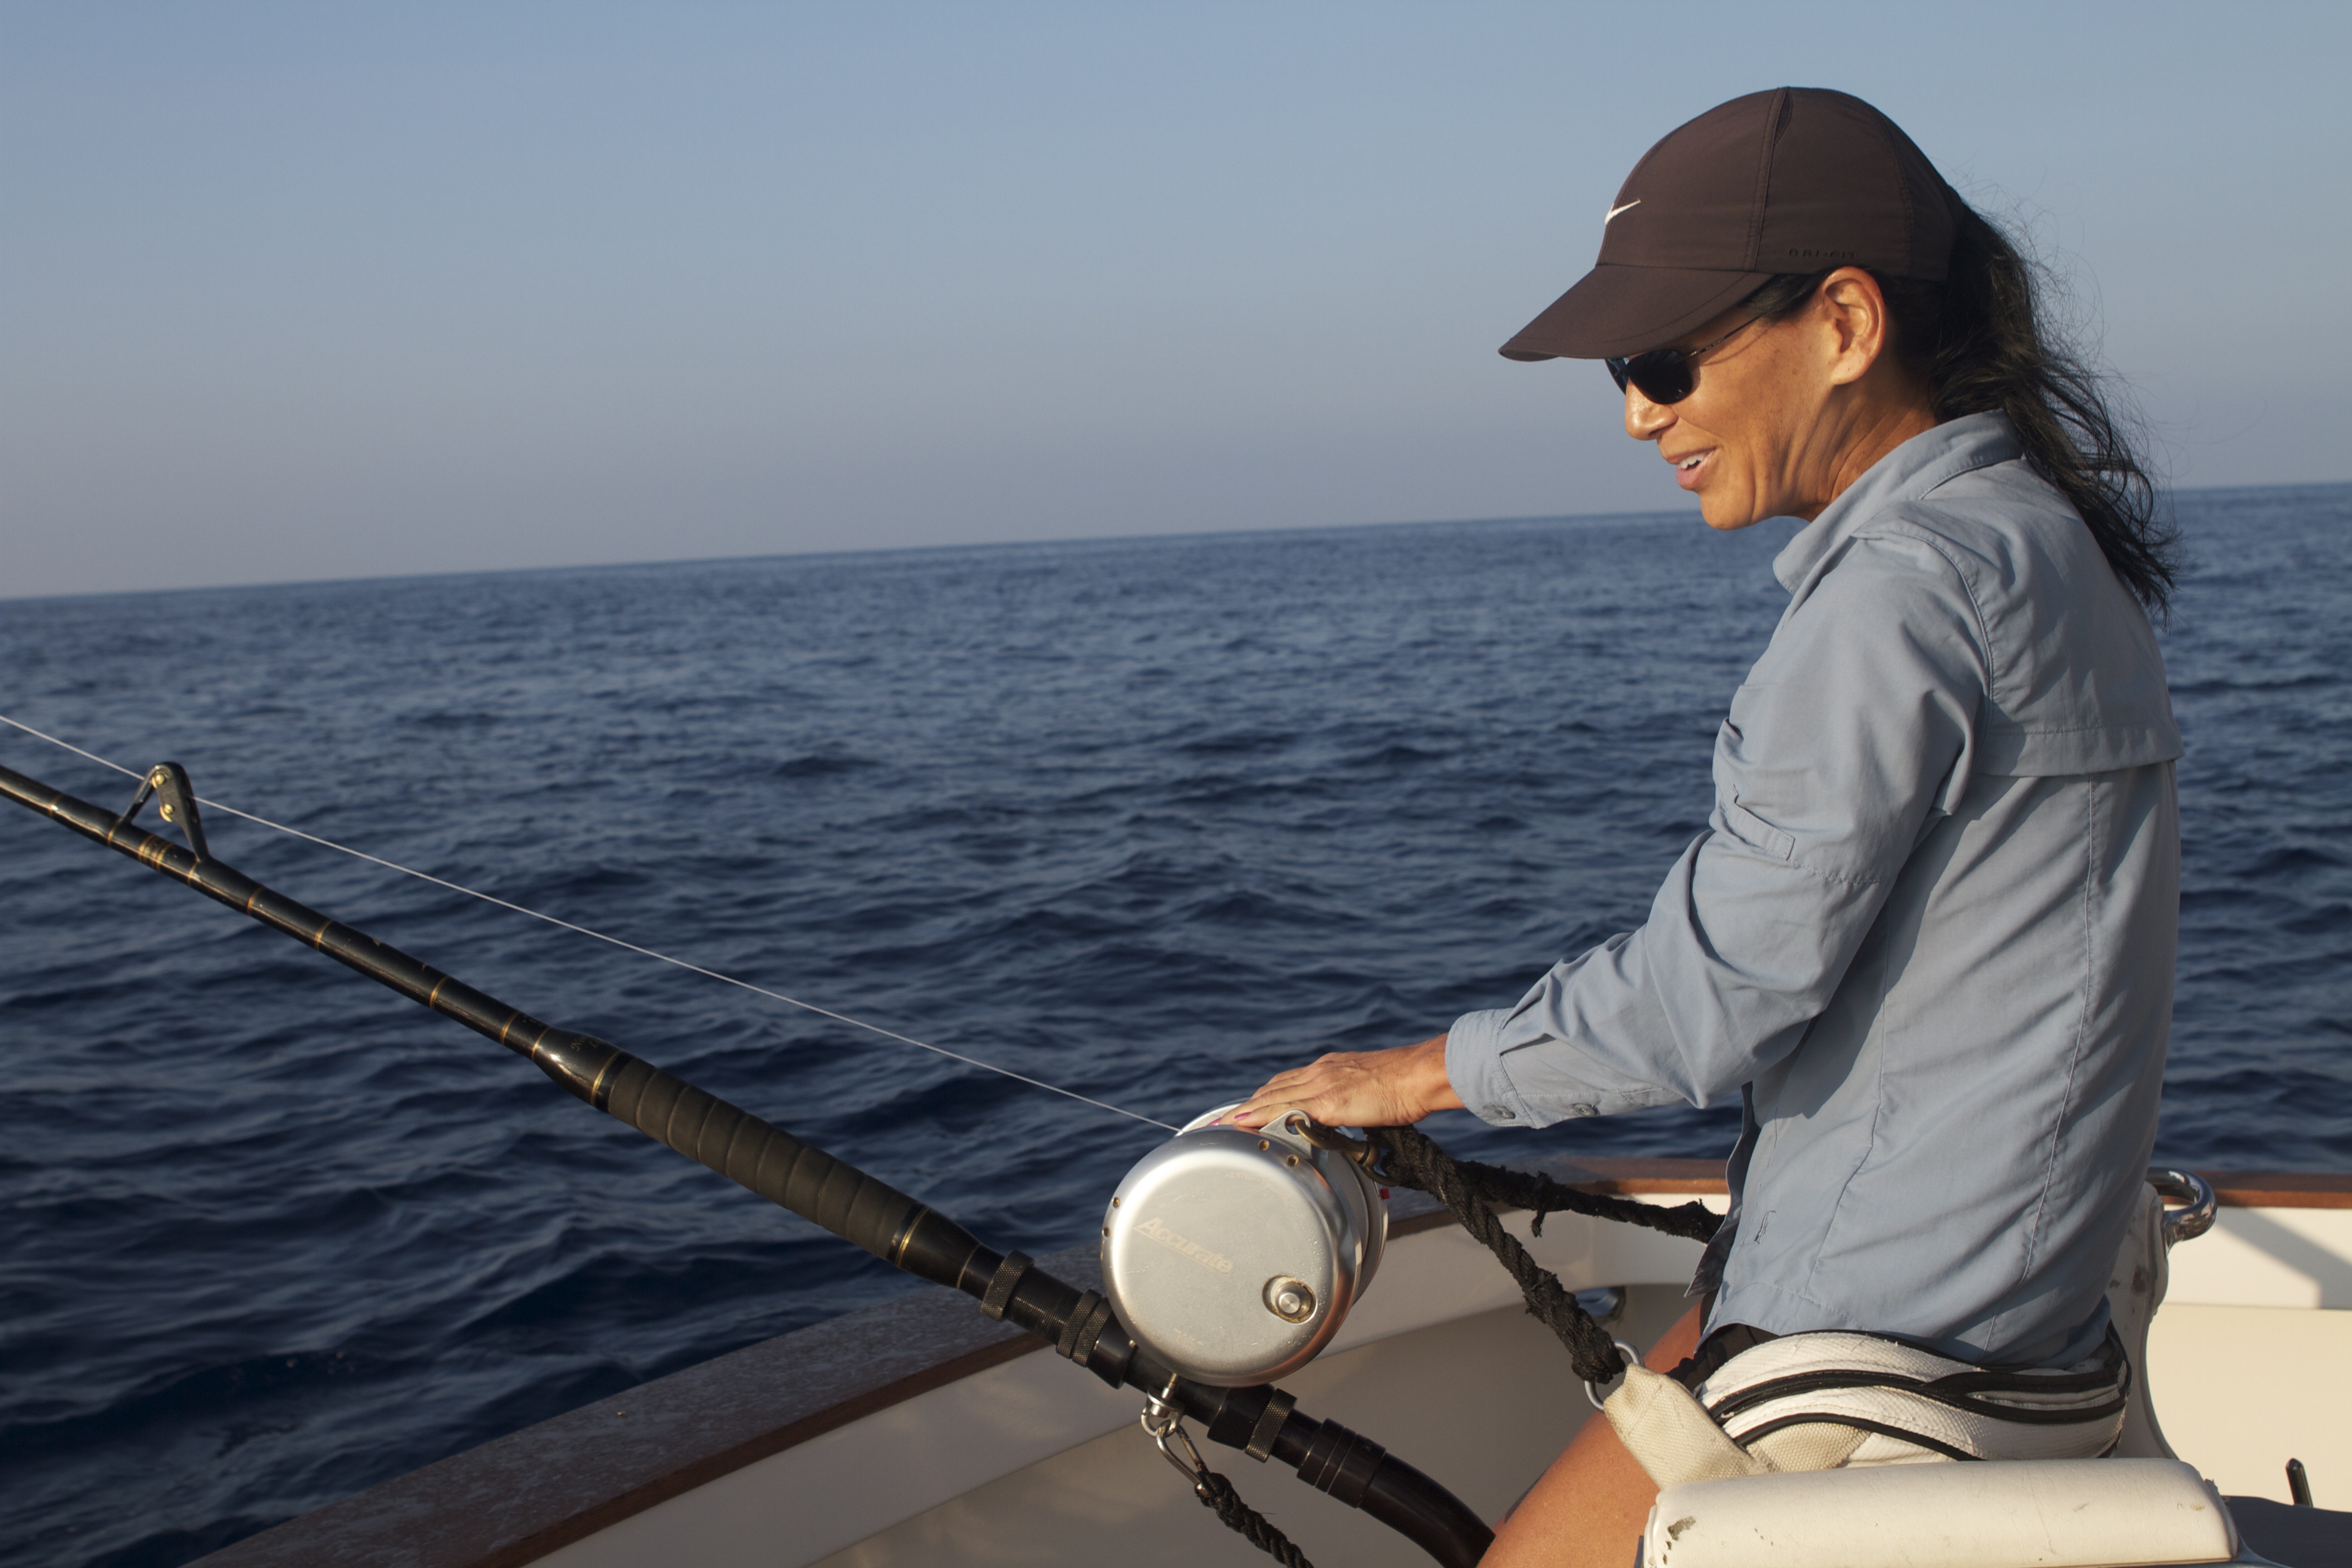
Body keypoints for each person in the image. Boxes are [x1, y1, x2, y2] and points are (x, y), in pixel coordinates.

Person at [1227, 87, 2181, 1567]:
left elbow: (1715, 997)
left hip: (1882, 1336)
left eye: (1667, 361)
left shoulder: (1896, 596)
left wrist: (1424, 1073)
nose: (1638, 412)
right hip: (2026, 1325)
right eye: (1623, 371)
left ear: (1846, 323)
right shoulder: (2051, 546)